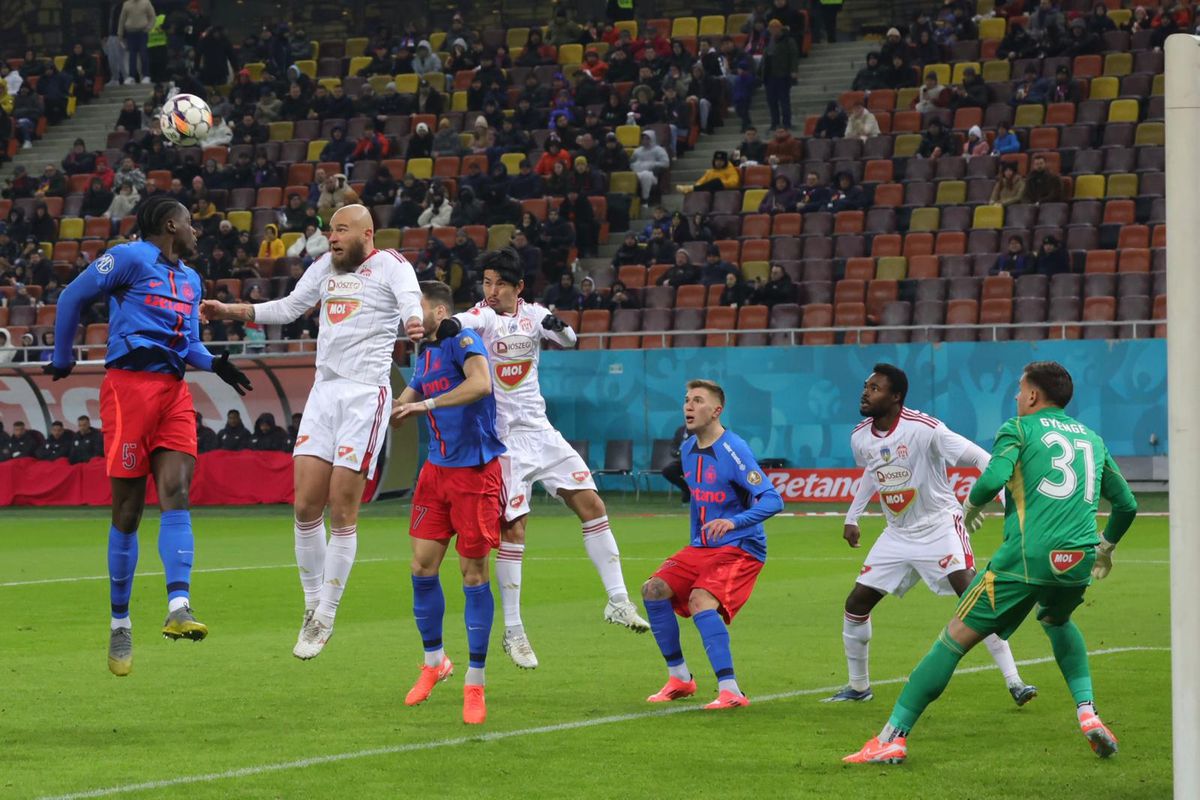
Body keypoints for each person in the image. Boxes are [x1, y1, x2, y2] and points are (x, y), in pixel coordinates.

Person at [845, 362, 1137, 764]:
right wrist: (1105, 547)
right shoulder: (1092, 438)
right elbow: (1127, 504)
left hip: (1024, 559)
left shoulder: (1017, 429)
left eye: (1020, 390)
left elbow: (991, 477)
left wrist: (969, 508)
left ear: (1033, 396)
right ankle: (1088, 713)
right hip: (1077, 559)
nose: (1016, 397)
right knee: (1056, 620)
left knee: (953, 638)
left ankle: (891, 738)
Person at [200, 204, 423, 660]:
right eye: (329, 231)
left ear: (367, 232)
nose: (332, 237)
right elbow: (287, 308)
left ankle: (328, 613)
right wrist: (229, 310)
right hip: (324, 394)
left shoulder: (392, 265)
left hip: (365, 395)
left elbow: (409, 299)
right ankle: (310, 607)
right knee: (304, 505)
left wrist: (415, 321)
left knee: (343, 507)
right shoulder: (324, 267)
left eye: (341, 230)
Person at [43, 195, 253, 677]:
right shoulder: (132, 257)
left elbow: (188, 344)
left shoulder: (191, 280)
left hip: (174, 392)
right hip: (128, 391)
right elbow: (73, 295)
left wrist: (215, 364)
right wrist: (61, 355)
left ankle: (179, 606)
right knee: (128, 511)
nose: (197, 232)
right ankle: (120, 621)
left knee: (177, 492)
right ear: (171, 224)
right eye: (191, 224)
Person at [445, 249, 649, 669]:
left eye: (500, 283)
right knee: (515, 530)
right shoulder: (483, 316)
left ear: (518, 287)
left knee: (592, 504)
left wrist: (560, 326)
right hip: (504, 441)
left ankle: (618, 600)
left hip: (541, 432)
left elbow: (569, 339)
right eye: (487, 282)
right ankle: (515, 630)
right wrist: (444, 324)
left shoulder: (534, 314)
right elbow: (460, 323)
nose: (492, 290)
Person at [825, 364, 1035, 704]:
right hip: (896, 534)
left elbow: (980, 458)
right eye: (865, 386)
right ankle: (858, 688)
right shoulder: (860, 436)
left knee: (972, 599)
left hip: (940, 525)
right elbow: (871, 471)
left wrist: (996, 499)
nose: (865, 392)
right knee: (857, 602)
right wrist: (854, 516)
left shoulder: (925, 429)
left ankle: (1015, 681)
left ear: (896, 397)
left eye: (875, 388)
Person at [393, 280, 505, 725]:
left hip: (475, 473)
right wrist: (393, 411)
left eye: (418, 312)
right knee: (421, 567)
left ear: (439, 312)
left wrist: (426, 406)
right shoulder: (425, 355)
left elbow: (481, 385)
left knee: (473, 573)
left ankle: (475, 682)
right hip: (435, 473)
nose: (413, 321)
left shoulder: (464, 339)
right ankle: (435, 660)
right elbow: (410, 395)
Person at [641, 379, 784, 708]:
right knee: (653, 589)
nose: (688, 406)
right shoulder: (689, 449)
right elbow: (697, 501)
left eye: (698, 401)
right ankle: (680, 678)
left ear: (716, 410)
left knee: (701, 600)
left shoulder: (734, 450)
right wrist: (697, 537)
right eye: (687, 399)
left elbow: (772, 500)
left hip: (741, 547)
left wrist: (734, 522)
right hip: (704, 545)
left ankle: (730, 690)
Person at [762, 20, 799, 131]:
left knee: (784, 100)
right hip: (770, 75)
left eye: (775, 28)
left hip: (783, 74)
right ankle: (775, 123)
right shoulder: (769, 40)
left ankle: (786, 123)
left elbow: (794, 55)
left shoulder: (788, 40)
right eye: (771, 28)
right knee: (771, 101)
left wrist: (794, 70)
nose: (773, 30)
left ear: (780, 28)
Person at [118, 0, 156, 85]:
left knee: (143, 53)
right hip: (130, 33)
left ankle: (146, 76)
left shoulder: (146, 3)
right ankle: (131, 76)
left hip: (142, 32)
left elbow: (152, 17)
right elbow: (122, 20)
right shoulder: (126, 4)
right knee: (132, 55)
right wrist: (120, 34)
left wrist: (148, 28)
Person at [630, 130, 670, 203]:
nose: (645, 140)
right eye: (643, 138)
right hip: (637, 173)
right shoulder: (637, 151)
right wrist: (636, 165)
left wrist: (651, 164)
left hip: (652, 175)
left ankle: (645, 199)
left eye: (647, 138)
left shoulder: (659, 150)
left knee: (646, 175)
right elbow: (631, 162)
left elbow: (666, 163)